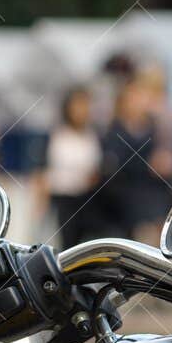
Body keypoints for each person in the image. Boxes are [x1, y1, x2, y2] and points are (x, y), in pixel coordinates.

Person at [98, 77, 172, 245]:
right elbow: (114, 168)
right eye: (134, 97)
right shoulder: (113, 131)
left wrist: (164, 161)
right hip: (126, 199)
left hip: (154, 196)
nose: (139, 102)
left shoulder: (154, 129)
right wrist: (148, 163)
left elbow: (164, 159)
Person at [38, 87, 100, 248]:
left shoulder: (94, 136)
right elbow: (41, 171)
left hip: (86, 201)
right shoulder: (56, 135)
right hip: (60, 202)